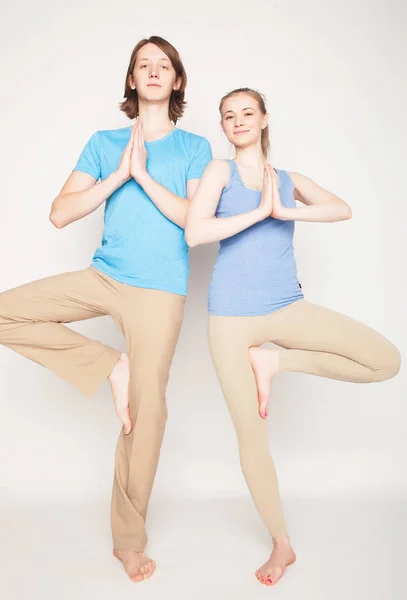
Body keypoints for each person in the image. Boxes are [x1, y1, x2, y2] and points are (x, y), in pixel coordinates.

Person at [0, 36, 212, 582]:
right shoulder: (103, 141)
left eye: (164, 65)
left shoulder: (193, 149)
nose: (154, 71)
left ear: (178, 80)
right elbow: (59, 213)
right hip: (103, 276)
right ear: (132, 80)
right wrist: (118, 173)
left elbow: (195, 224)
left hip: (160, 291)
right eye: (144, 64)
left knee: (147, 415)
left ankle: (127, 539)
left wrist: (143, 175)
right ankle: (107, 365)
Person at [185, 87, 400, 587]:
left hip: (288, 309)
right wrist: (259, 214)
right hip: (230, 321)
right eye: (228, 116)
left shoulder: (288, 180)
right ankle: (282, 544)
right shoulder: (220, 172)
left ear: (263, 120)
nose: (238, 121)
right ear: (224, 127)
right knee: (252, 437)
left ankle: (274, 364)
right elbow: (195, 233)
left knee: (385, 361)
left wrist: (286, 211)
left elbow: (341, 209)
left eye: (247, 113)